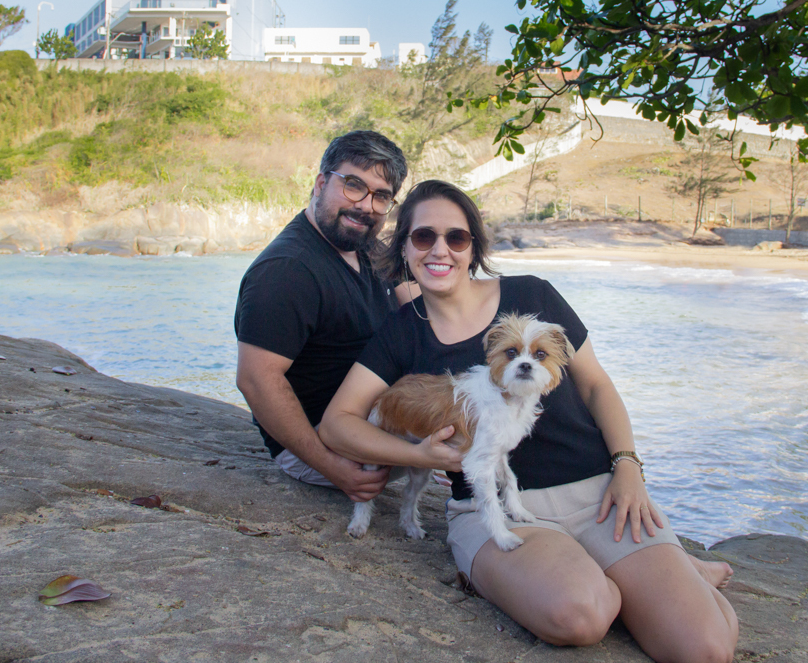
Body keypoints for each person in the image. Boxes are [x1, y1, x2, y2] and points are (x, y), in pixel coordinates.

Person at [319, 180, 738, 663]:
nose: (440, 250)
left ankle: (657, 572)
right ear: (404, 247)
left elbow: (596, 386)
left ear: (473, 247)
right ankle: (626, 573)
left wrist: (627, 465)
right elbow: (337, 423)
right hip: (492, 508)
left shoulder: (533, 296)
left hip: (597, 495)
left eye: (456, 237)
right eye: (423, 236)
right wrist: (418, 454)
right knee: (580, 616)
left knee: (704, 650)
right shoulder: (400, 330)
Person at [233, 130, 410, 503]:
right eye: (353, 185)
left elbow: (421, 314)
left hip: (376, 420)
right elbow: (256, 380)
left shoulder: (365, 247)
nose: (365, 205)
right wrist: (331, 467)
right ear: (320, 183)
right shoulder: (287, 271)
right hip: (323, 443)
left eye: (381, 196)